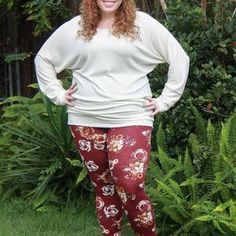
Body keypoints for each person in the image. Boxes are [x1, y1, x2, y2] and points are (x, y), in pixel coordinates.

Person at [34, 0, 190, 235]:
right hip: (84, 117)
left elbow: (179, 57)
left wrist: (164, 100)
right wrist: (57, 94)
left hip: (131, 114)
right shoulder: (76, 27)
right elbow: (43, 59)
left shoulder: (143, 25)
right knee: (104, 186)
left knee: (130, 183)